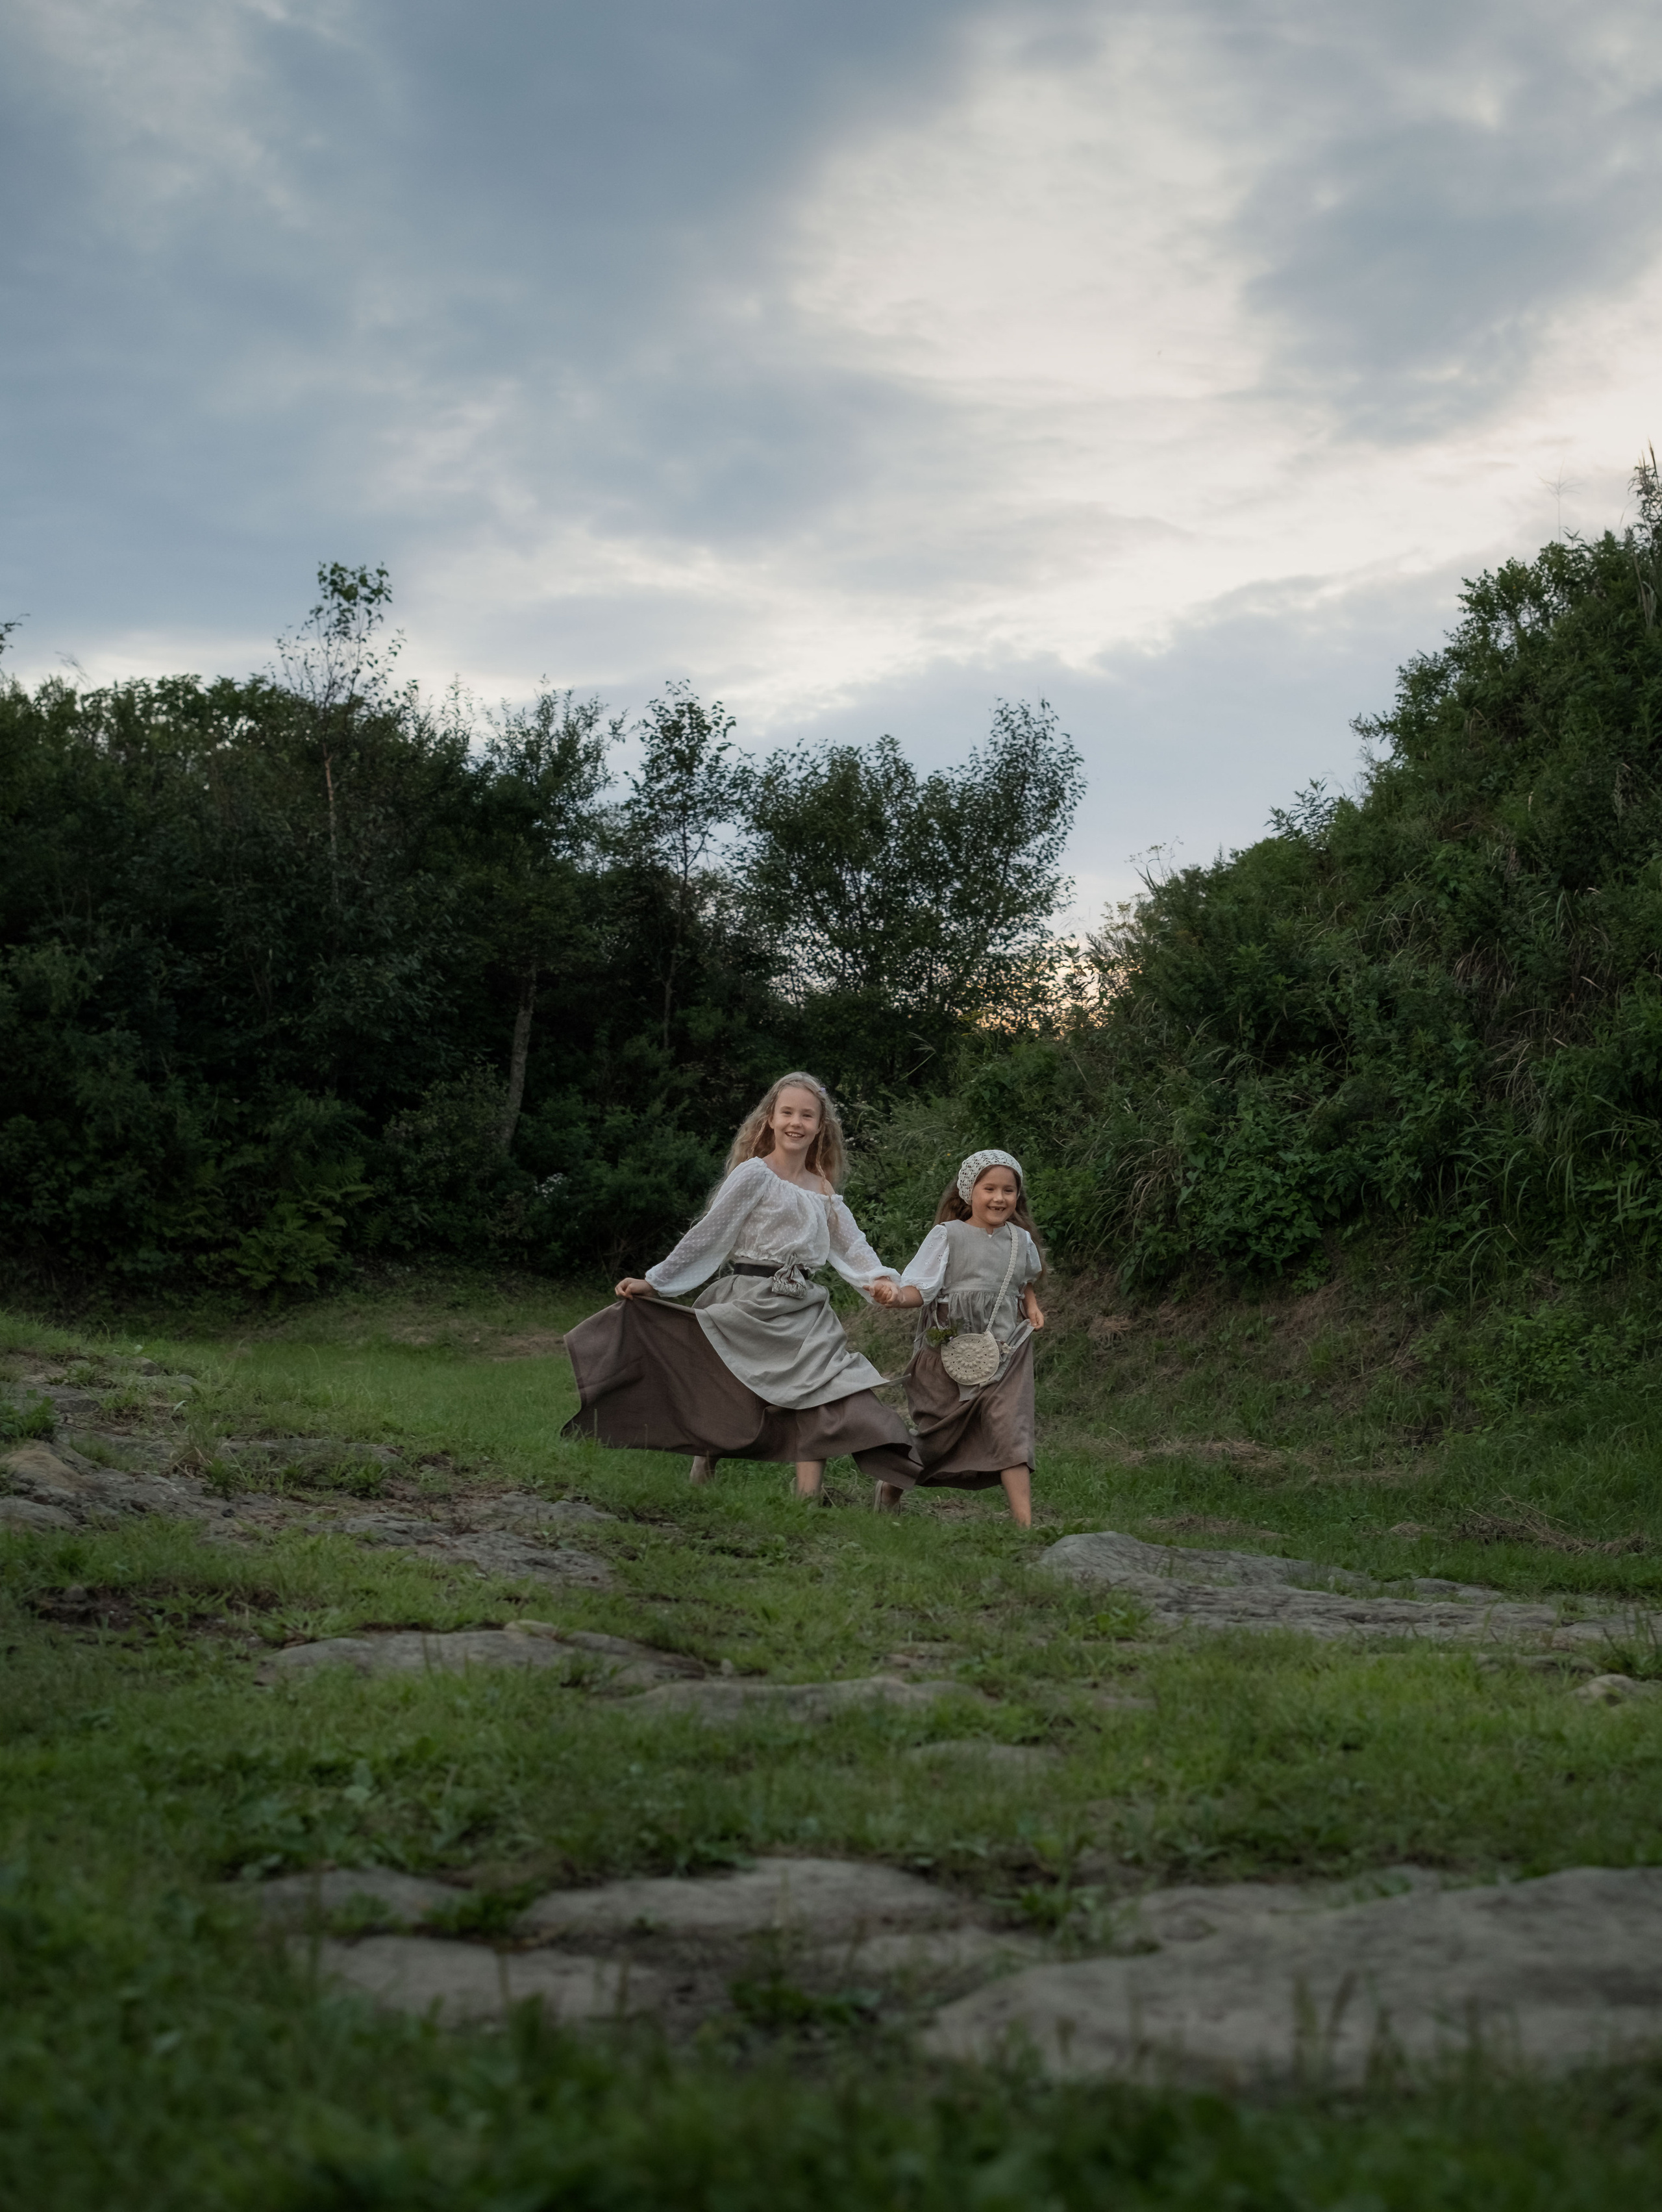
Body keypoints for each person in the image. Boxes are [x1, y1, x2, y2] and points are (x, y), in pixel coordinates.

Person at [562, 1073, 921, 1500]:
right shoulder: (754, 1175)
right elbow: (708, 1232)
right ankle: (704, 1466)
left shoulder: (824, 1192)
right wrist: (657, 1282)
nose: (796, 1122)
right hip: (749, 1299)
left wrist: (884, 1284)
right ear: (770, 1119)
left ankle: (807, 1497)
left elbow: (856, 1249)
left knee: (820, 1390)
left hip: (804, 1311)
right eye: (787, 1112)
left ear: (821, 1125)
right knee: (731, 1392)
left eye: (807, 1115)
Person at [870, 1149, 1045, 1525]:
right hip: (950, 1352)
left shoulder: (1020, 1240)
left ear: (1018, 1196)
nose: (1000, 1198)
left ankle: (1025, 1525)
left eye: (1009, 1190)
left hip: (1007, 1350)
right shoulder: (947, 1236)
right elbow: (922, 1289)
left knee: (1010, 1426)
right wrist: (898, 1297)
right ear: (970, 1192)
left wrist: (1030, 1305)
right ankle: (892, 1484)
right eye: (990, 1189)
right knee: (939, 1437)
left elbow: (1026, 1278)